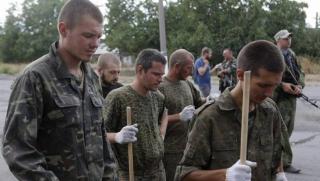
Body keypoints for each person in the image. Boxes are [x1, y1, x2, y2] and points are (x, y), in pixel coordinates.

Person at [1, 0, 119, 180]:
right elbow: (17, 149)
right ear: (64, 29)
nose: (95, 44)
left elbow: (100, 140)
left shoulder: (92, 79)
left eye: (99, 36)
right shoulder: (35, 77)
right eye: (88, 35)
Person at [175, 40, 288, 181]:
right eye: (263, 85)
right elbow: (183, 175)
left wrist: (279, 173)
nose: (269, 93)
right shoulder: (210, 117)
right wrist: (225, 175)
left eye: (275, 85)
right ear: (240, 75)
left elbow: (276, 155)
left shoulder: (270, 111)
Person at [104, 48, 167, 180]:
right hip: (132, 174)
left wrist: (160, 136)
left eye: (162, 75)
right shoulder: (118, 97)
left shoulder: (158, 97)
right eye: (156, 74)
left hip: (158, 172)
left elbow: (163, 117)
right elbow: (98, 135)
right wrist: (117, 136)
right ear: (140, 70)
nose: (160, 79)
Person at [158, 49, 205, 181]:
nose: (191, 72)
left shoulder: (187, 84)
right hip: (169, 151)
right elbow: (154, 120)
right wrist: (178, 117)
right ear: (177, 66)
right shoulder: (160, 87)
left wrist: (209, 102)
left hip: (189, 148)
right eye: (188, 68)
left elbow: (199, 103)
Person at [273, 29, 305, 174]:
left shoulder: (291, 55)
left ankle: (278, 160)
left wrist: (300, 85)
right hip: (278, 97)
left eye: (290, 38)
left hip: (291, 97)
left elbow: (301, 72)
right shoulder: (273, 54)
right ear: (278, 40)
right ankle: (284, 163)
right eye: (286, 38)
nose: (289, 40)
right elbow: (267, 76)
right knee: (282, 130)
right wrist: (282, 86)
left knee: (289, 128)